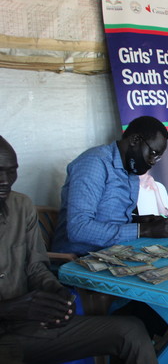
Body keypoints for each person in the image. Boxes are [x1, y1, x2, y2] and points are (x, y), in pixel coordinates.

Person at [0, 136, 157, 364]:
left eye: (11, 171)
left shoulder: (21, 207)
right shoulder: (94, 163)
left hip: (27, 327)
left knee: (131, 331)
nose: (5, 181)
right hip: (12, 327)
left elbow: (36, 268)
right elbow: (80, 228)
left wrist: (58, 294)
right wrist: (11, 308)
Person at [53, 116, 168, 255]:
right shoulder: (94, 164)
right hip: (80, 258)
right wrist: (145, 230)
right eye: (153, 153)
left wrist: (140, 221)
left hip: (115, 252)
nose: (153, 161)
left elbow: (107, 217)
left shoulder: (131, 171)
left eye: (158, 157)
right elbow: (79, 228)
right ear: (135, 140)